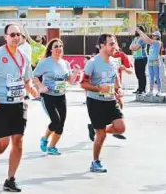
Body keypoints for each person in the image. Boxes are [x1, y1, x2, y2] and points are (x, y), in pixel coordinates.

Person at [0, 24, 39, 192]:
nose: (16, 37)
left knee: (18, 141)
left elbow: (27, 80)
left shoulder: (24, 57)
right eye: (12, 34)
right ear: (5, 37)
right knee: (3, 143)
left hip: (18, 103)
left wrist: (32, 90)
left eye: (18, 34)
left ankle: (10, 179)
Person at [80, 34, 126, 173]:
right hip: (95, 102)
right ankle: (95, 161)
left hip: (110, 100)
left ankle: (96, 128)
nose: (115, 47)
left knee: (121, 127)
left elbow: (116, 79)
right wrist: (99, 88)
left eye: (115, 43)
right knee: (101, 135)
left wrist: (119, 90)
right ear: (102, 46)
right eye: (111, 44)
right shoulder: (92, 63)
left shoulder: (114, 62)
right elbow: (83, 84)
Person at [33, 38, 81, 155]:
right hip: (48, 95)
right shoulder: (45, 62)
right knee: (55, 120)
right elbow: (34, 76)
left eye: (60, 46)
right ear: (51, 49)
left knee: (61, 123)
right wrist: (40, 86)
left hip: (61, 96)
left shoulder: (65, 63)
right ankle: (44, 138)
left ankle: (52, 147)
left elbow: (69, 81)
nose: (59, 48)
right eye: (56, 46)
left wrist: (75, 72)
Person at [136, 29, 163, 96]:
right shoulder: (152, 43)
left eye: (154, 35)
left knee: (157, 76)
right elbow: (146, 40)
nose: (152, 36)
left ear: (157, 36)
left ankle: (159, 91)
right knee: (151, 77)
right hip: (150, 61)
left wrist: (141, 32)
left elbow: (148, 40)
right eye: (152, 35)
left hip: (155, 61)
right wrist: (141, 34)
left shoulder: (158, 42)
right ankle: (151, 91)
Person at [129, 25, 147, 95]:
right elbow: (130, 47)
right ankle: (139, 88)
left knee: (141, 74)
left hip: (142, 58)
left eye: (138, 30)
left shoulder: (142, 38)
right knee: (138, 74)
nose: (136, 31)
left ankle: (143, 89)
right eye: (136, 30)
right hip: (136, 58)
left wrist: (134, 47)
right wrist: (134, 47)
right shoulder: (135, 38)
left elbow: (135, 48)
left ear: (141, 31)